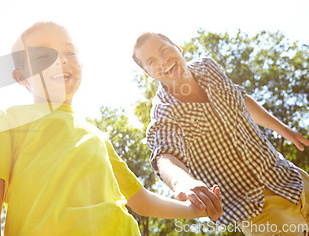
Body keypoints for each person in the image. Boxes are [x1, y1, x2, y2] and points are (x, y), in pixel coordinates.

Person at [0, 22, 216, 236]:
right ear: (21, 77)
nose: (61, 60)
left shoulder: (97, 137)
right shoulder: (7, 121)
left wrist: (194, 209)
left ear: (81, 66)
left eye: (69, 52)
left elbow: (141, 200)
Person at [132, 32, 309, 236]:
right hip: (256, 208)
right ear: (149, 73)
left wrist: (282, 129)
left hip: (290, 177)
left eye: (164, 50)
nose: (163, 61)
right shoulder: (164, 111)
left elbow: (240, 98)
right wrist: (184, 183)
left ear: (178, 48)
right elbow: (164, 154)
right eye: (152, 61)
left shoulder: (208, 67)